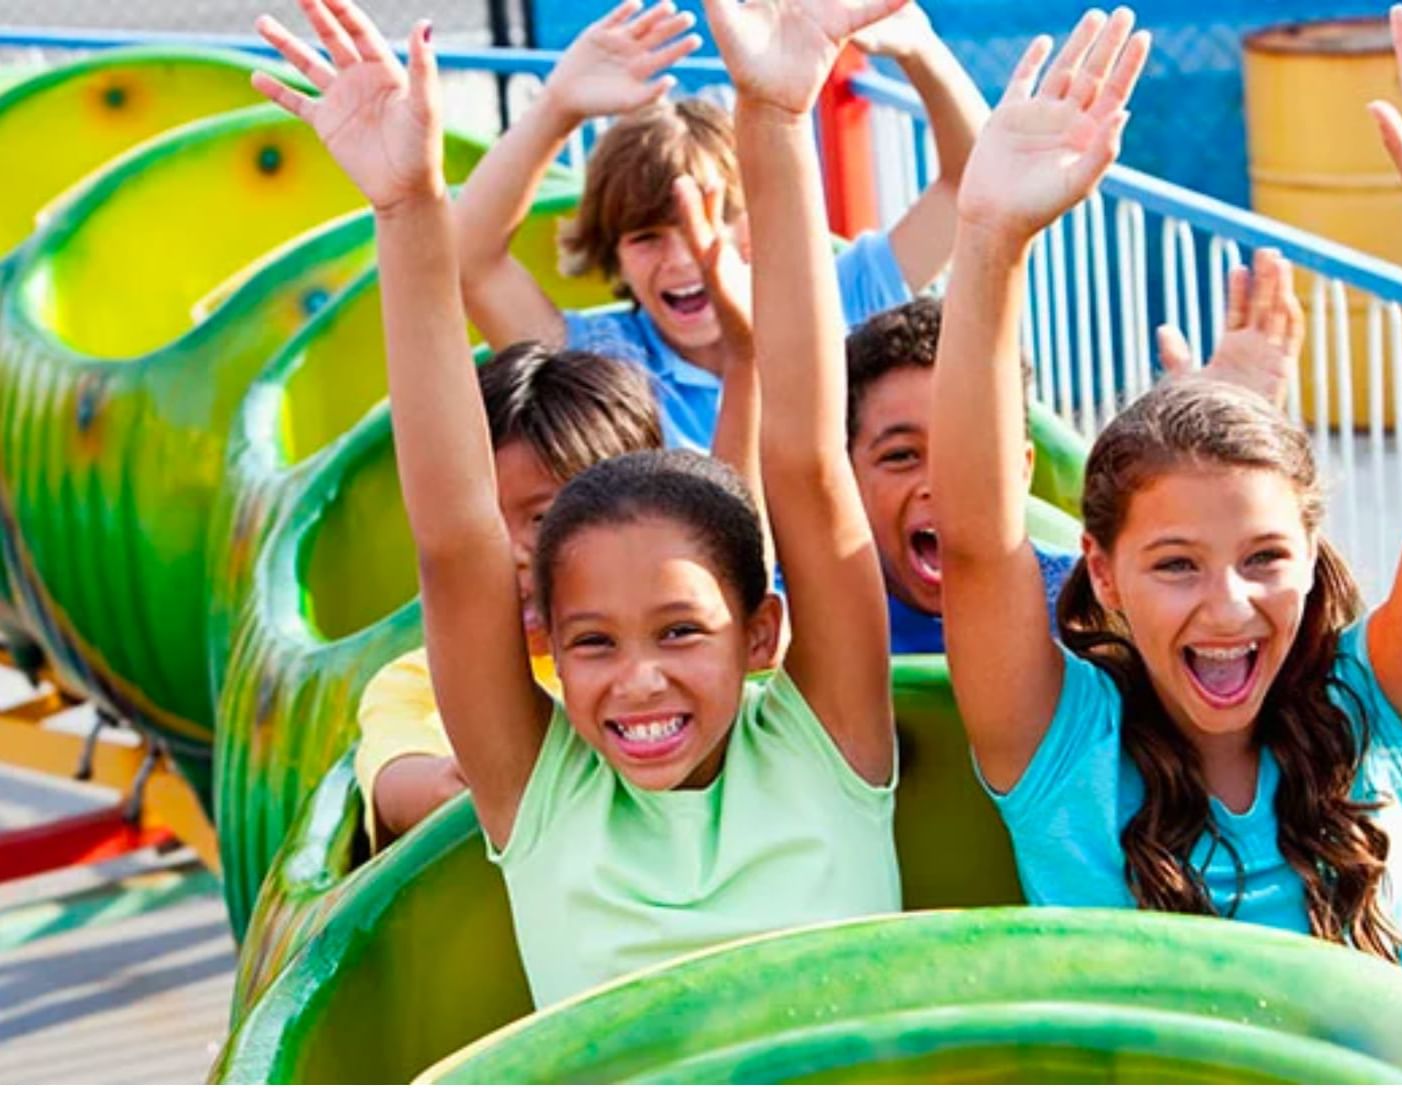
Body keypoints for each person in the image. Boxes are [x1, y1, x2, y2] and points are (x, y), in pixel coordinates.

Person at [253, 0, 902, 1008]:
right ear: (547, 639)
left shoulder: (830, 741)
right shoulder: (541, 792)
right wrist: (407, 213)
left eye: (680, 629)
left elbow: (809, 466)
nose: (637, 679)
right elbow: (456, 539)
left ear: (762, 629)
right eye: (591, 642)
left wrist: (773, 120)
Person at [930, 0, 1402, 963]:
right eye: (1177, 565)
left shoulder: (1369, 707)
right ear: (1103, 575)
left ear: (1313, 559)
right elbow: (979, 541)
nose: (1228, 606)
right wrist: (988, 240)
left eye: (1265, 557)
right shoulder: (1063, 746)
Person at [451, 0, 988, 452]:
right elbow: (466, 261)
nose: (686, 258)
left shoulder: (837, 298)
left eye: (713, 218)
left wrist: (922, 52)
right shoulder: (603, 363)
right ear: (613, 253)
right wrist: (556, 109)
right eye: (647, 236)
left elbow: (973, 184)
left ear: (763, 219)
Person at [848, 249, 1303, 654]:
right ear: (846, 475)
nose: (944, 481)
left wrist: (1220, 462)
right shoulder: (799, 614)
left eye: (975, 453)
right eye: (902, 456)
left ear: (1024, 470)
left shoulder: (1084, 603)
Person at [354, 342, 664, 851]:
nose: (511, 554)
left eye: (542, 519)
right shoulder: (418, 683)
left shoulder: (687, 657)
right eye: (479, 526)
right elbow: (408, 785)